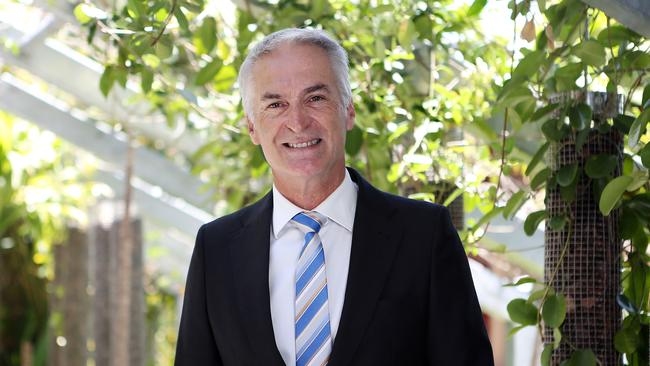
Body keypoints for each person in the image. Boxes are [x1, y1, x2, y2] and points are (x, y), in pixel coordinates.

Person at [175, 28, 493, 366]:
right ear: (252, 126)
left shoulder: (424, 235)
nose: (297, 122)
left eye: (315, 98)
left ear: (349, 110)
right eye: (275, 104)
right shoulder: (217, 249)